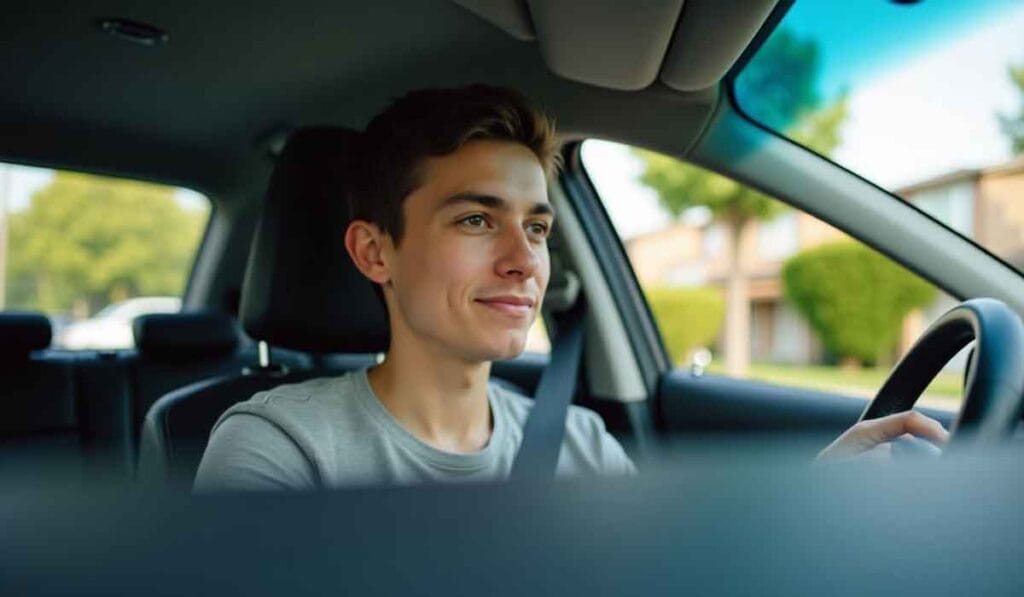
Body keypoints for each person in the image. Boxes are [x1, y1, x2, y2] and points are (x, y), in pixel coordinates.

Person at [193, 85, 947, 492]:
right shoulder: (279, 449)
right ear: (373, 251)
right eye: (476, 221)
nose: (526, 261)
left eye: (539, 227)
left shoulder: (579, 444)